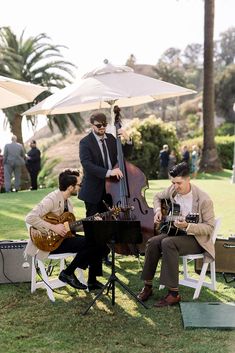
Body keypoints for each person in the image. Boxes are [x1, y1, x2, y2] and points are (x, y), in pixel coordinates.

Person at [137, 162, 215, 307]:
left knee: (167, 243)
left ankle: (174, 294)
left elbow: (209, 227)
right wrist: (158, 211)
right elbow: (157, 197)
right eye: (173, 183)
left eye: (179, 183)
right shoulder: (173, 190)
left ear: (188, 179)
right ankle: (147, 286)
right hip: (175, 232)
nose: (176, 186)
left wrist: (188, 225)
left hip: (195, 239)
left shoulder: (204, 200)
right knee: (153, 242)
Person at [25, 169, 107, 291]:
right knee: (91, 242)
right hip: (48, 242)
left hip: (63, 239)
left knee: (103, 245)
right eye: (80, 185)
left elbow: (71, 227)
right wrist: (54, 227)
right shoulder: (51, 199)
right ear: (70, 187)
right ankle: (68, 273)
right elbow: (30, 217)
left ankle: (78, 275)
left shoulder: (68, 202)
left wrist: (92, 222)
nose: (81, 187)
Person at [78, 111, 132, 265]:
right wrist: (109, 172)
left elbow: (124, 156)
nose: (102, 128)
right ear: (92, 125)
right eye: (98, 125)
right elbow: (87, 165)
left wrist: (127, 139)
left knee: (108, 222)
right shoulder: (85, 142)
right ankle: (92, 256)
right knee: (94, 225)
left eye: (104, 125)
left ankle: (104, 254)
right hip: (93, 190)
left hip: (111, 189)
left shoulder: (112, 139)